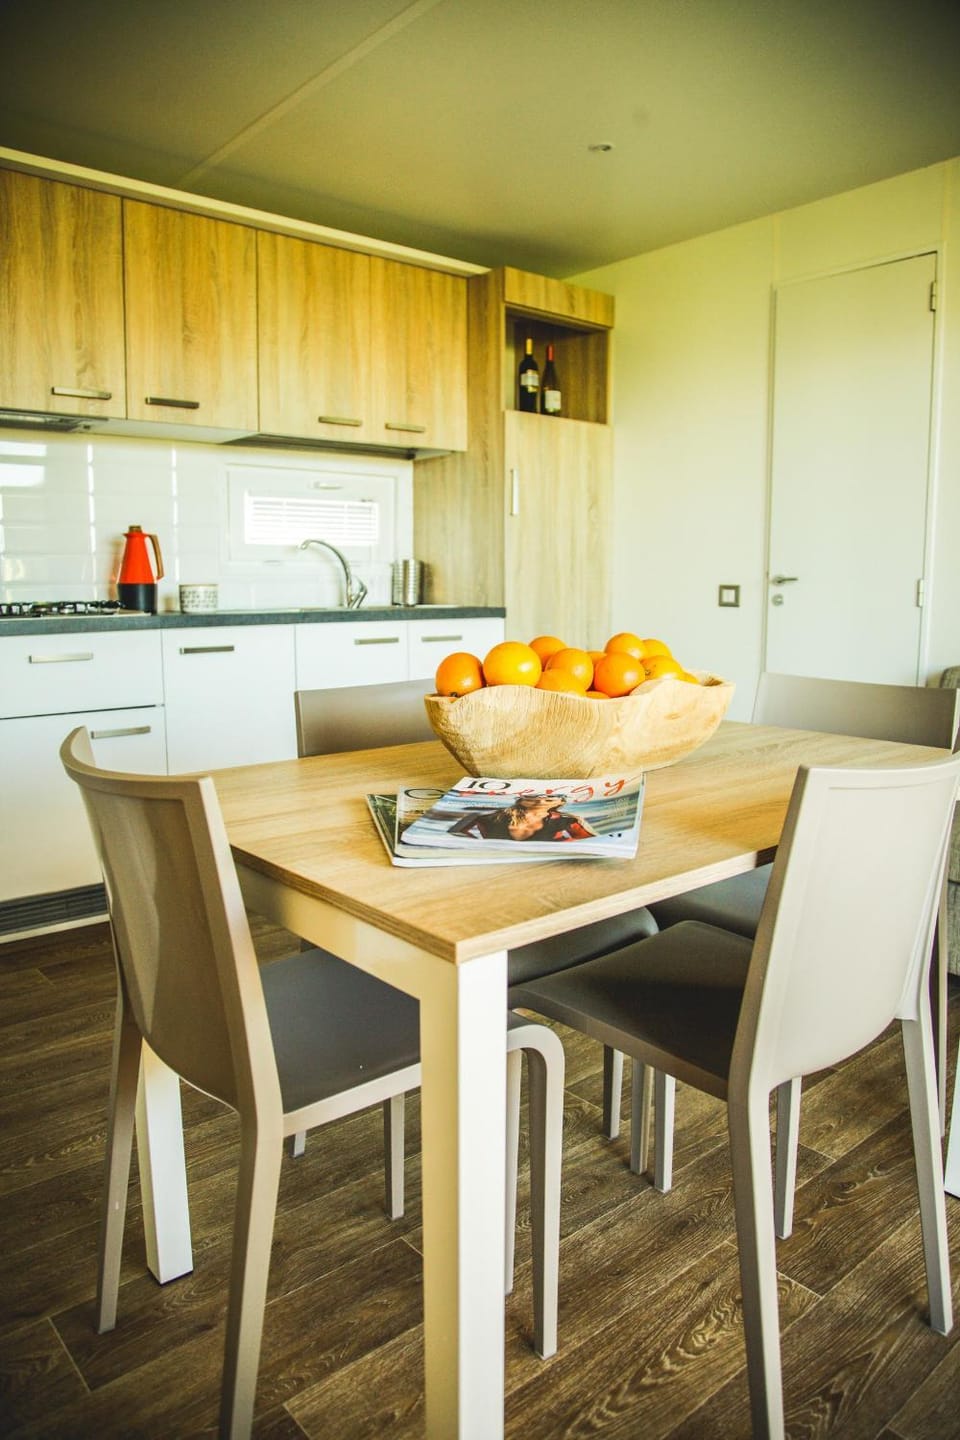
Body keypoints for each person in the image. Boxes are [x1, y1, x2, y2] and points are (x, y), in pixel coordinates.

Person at [449, 793, 597, 843]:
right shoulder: (494, 816)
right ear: (520, 800)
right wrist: (476, 846)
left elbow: (593, 842)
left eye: (549, 799)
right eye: (532, 798)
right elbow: (456, 831)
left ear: (560, 802)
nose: (540, 802)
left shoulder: (569, 821)